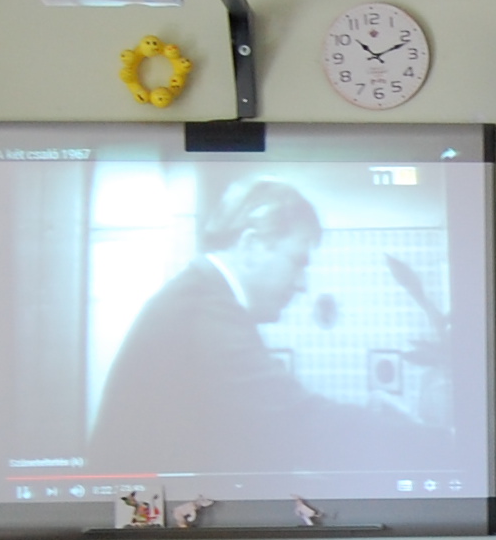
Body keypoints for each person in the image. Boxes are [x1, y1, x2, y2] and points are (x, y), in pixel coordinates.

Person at [86, 176, 428, 478]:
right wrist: (437, 444)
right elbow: (297, 423)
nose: (302, 285)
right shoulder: (205, 309)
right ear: (251, 246)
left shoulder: (202, 294)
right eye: (298, 262)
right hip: (142, 520)